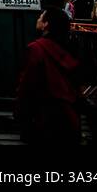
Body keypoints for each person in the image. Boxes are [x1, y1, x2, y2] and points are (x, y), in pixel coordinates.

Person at [14, 8, 82, 145]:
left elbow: (27, 84)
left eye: (41, 17)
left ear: (46, 24)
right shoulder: (69, 49)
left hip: (45, 119)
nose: (38, 19)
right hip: (69, 117)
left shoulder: (36, 49)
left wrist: (19, 111)